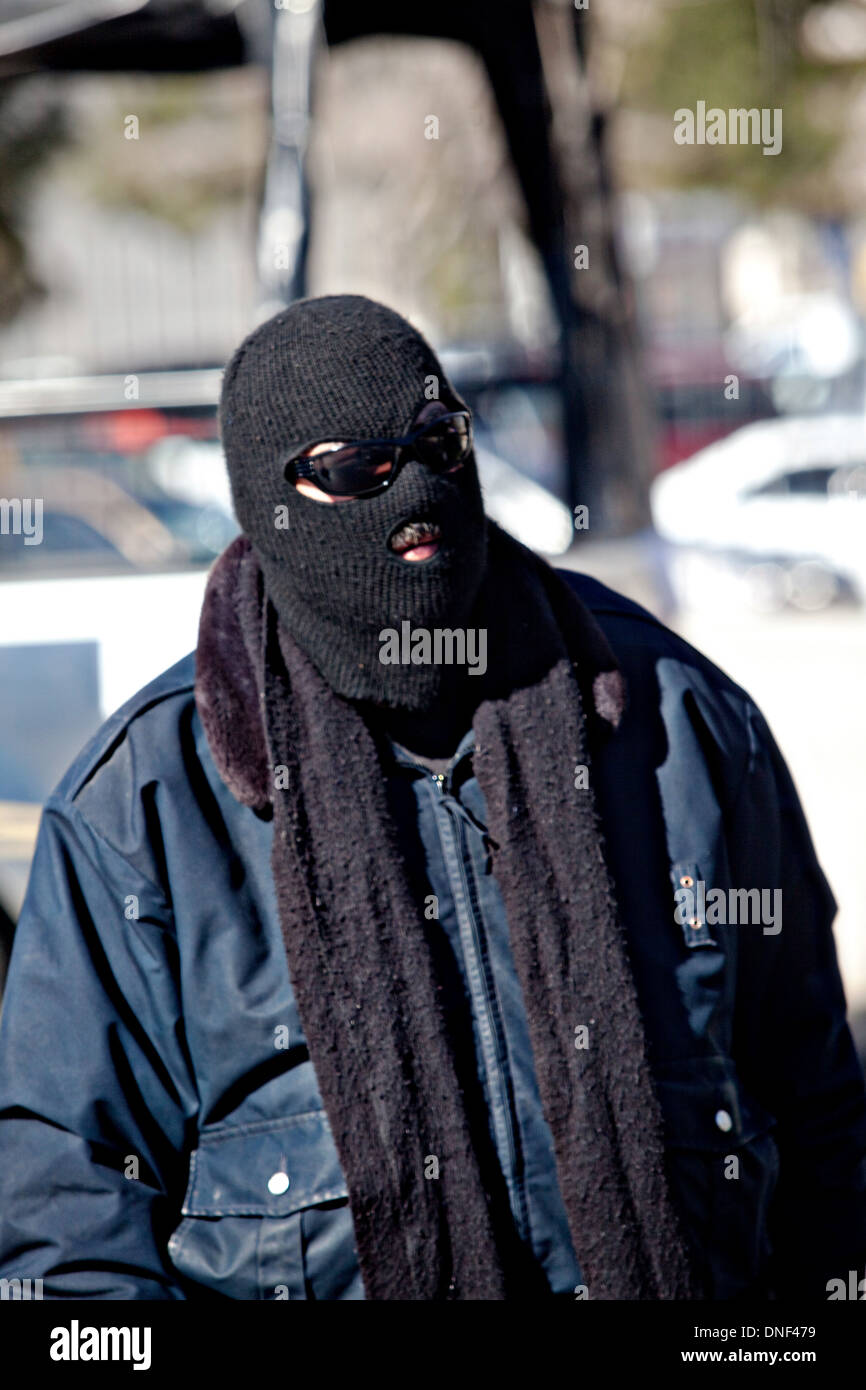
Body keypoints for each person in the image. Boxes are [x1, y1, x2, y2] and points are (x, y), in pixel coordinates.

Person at [0, 293, 864, 1301]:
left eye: (437, 444)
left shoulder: (674, 725)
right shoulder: (144, 814)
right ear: (266, 500)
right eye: (354, 467)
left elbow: (822, 1137)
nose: (412, 491)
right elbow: (69, 1238)